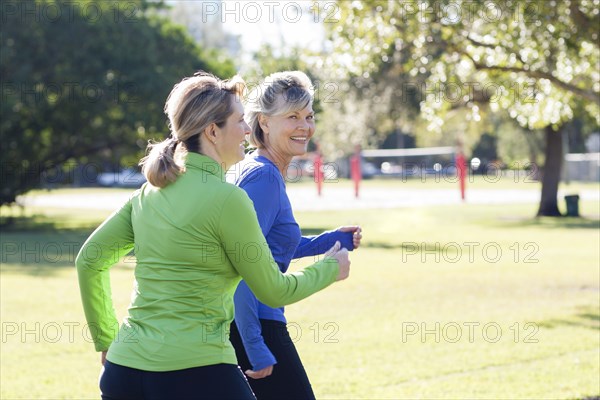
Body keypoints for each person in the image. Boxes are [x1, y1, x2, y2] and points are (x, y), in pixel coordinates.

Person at [75, 72, 351, 400]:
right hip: (197, 372)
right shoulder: (228, 199)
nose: (248, 130)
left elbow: (88, 262)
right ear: (212, 131)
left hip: (124, 371)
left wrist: (107, 339)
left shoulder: (148, 193)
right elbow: (273, 290)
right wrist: (330, 268)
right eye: (239, 121)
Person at [228, 71, 362, 400]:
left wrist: (329, 240)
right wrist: (256, 345)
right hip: (256, 322)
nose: (304, 126)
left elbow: (266, 247)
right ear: (264, 123)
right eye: (292, 116)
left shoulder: (251, 167)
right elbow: (242, 263)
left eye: (308, 116)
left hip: (246, 323)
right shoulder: (265, 178)